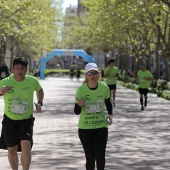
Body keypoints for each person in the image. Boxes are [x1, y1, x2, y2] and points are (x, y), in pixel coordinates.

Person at [0, 57, 44, 170]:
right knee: (12, 149)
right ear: (12, 69)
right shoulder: (5, 82)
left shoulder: (32, 81)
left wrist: (39, 103)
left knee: (26, 149)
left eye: (22, 68)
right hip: (10, 120)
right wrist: (1, 91)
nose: (20, 71)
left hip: (26, 120)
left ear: (26, 69)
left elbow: (40, 90)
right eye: (17, 68)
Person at [74, 63, 113, 170]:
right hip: (85, 129)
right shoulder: (81, 90)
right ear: (86, 76)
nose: (93, 76)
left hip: (101, 127)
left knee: (100, 156)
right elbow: (76, 112)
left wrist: (110, 114)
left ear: (98, 74)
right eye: (90, 73)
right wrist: (79, 105)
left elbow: (108, 103)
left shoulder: (104, 88)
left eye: (95, 73)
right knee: (90, 158)